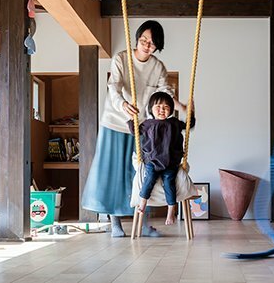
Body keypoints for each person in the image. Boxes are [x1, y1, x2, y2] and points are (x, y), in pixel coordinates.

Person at [80, 20, 189, 238]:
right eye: (144, 40)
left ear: (157, 47)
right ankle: (115, 223)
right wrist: (122, 105)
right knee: (114, 173)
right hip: (115, 121)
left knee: (143, 173)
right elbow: (114, 86)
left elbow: (165, 93)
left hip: (143, 128)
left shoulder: (158, 67)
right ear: (137, 39)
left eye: (152, 43)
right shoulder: (121, 58)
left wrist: (182, 107)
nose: (147, 46)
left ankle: (144, 223)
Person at [129, 91, 195, 226]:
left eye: (166, 107)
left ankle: (171, 211)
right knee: (149, 179)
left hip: (170, 162)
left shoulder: (174, 123)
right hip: (152, 161)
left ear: (171, 109)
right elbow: (134, 130)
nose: (162, 110)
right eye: (158, 107)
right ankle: (143, 203)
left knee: (169, 183)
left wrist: (191, 112)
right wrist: (132, 118)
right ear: (151, 109)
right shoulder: (148, 124)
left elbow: (189, 125)